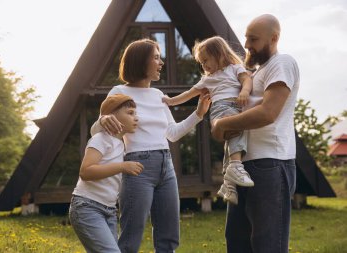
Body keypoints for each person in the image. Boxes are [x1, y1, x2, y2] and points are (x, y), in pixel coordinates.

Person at [90, 38, 211, 253]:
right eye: (156, 57)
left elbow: (172, 134)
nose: (161, 62)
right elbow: (97, 132)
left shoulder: (158, 96)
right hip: (138, 167)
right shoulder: (118, 92)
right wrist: (101, 121)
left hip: (167, 166)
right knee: (131, 237)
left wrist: (199, 114)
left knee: (168, 237)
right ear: (140, 61)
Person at [211, 14, 299, 253]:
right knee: (237, 243)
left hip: (270, 164)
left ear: (274, 38)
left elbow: (268, 113)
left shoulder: (282, 63)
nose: (247, 44)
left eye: (254, 39)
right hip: (243, 167)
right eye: (246, 38)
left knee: (267, 245)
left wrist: (223, 123)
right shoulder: (256, 73)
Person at [163, 36, 254, 205]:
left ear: (219, 54)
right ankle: (235, 166)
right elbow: (189, 94)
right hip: (221, 108)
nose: (203, 66)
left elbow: (247, 80)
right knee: (237, 131)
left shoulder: (235, 68)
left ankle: (228, 184)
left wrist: (245, 92)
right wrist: (170, 101)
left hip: (236, 105)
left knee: (232, 139)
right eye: (201, 62)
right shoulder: (207, 79)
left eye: (206, 60)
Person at [69, 94, 144, 253]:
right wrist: (122, 166)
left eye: (135, 114)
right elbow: (86, 171)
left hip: (108, 211)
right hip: (87, 207)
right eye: (130, 113)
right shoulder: (101, 139)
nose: (136, 118)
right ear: (112, 117)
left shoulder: (120, 144)